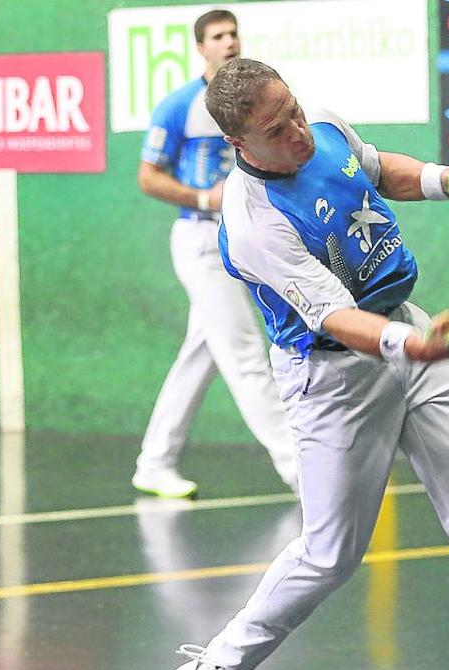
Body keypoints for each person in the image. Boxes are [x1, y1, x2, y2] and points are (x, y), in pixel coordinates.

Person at [159, 58, 449, 670]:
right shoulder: (252, 222)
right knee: (330, 553)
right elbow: (334, 320)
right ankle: (220, 662)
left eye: (294, 111)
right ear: (241, 146)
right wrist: (414, 348)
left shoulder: (320, 125)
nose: (298, 130)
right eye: (278, 128)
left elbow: (371, 168)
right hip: (333, 381)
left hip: (410, 334)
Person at [133, 9, 297, 498]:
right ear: (200, 47)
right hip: (202, 241)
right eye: (217, 37)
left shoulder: (251, 103)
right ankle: (302, 473)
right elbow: (148, 177)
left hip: (245, 239)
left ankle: (154, 461)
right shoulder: (178, 106)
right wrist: (208, 198)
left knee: (203, 350)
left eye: (233, 34)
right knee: (246, 354)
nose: (229, 42)